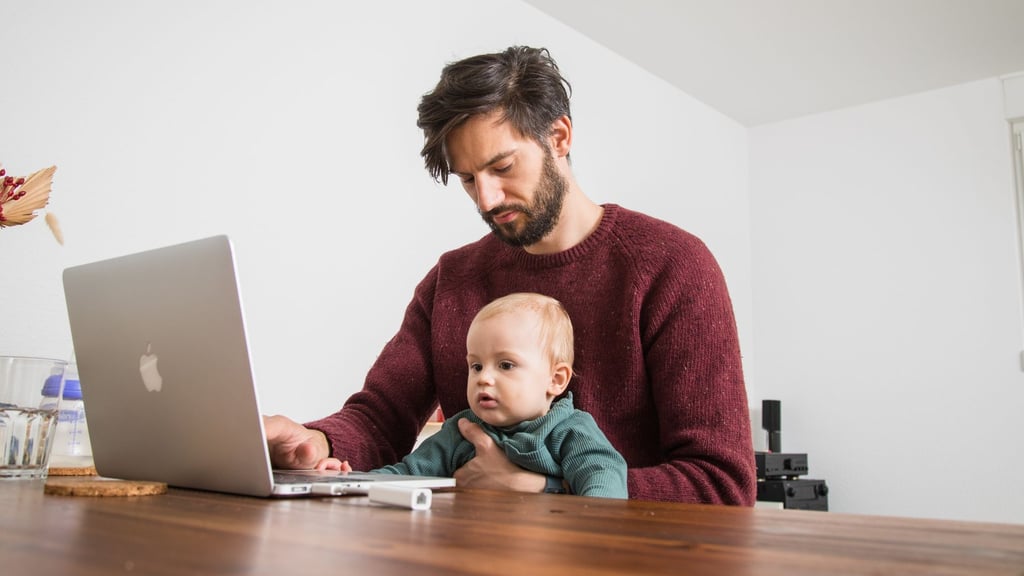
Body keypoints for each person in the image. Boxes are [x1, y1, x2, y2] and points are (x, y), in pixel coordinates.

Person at [264, 45, 756, 505]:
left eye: (502, 167)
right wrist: (316, 442)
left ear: (559, 137)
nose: (486, 199)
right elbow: (380, 417)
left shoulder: (672, 265)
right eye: (468, 179)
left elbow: (722, 485)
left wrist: (544, 490)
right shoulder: (452, 279)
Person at [360, 292, 627, 499]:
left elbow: (604, 480)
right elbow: (406, 474)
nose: (484, 378)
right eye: (476, 366)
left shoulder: (571, 431)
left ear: (555, 380)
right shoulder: (460, 432)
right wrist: (350, 481)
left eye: (505, 365)